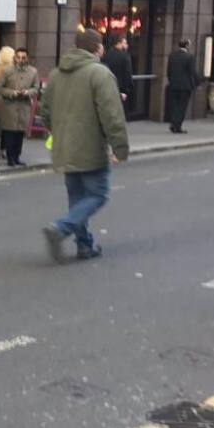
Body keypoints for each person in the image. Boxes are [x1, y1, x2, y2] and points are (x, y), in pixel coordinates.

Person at [40, 29, 129, 262]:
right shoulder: (99, 74)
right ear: (97, 48)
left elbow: (45, 112)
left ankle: (84, 245)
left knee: (78, 198)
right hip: (90, 147)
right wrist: (120, 148)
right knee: (99, 194)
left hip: (64, 147)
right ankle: (61, 228)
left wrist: (58, 132)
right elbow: (112, 115)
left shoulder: (57, 74)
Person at [0, 47, 40, 167]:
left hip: (24, 106)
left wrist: (27, 92)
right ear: (14, 57)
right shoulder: (7, 71)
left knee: (20, 133)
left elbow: (36, 88)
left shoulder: (33, 71)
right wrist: (12, 93)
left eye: (23, 57)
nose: (20, 60)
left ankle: (17, 156)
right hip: (10, 106)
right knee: (10, 133)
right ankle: (10, 158)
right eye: (18, 57)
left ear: (27, 58)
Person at [166, 38, 198, 133]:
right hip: (185, 86)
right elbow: (192, 72)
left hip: (174, 84)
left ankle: (173, 123)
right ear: (187, 46)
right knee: (182, 106)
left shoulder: (172, 56)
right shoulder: (189, 57)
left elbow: (169, 71)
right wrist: (197, 82)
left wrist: (171, 81)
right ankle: (177, 126)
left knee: (174, 105)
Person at [0, 46, 15, 160]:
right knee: (10, 127)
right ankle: (6, 149)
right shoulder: (10, 70)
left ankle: (2, 149)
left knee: (4, 126)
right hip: (8, 99)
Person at [105, 36, 134, 106]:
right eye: (125, 43)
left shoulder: (107, 55)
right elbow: (127, 74)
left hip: (107, 88)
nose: (127, 45)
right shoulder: (125, 56)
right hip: (120, 90)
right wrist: (126, 90)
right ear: (118, 43)